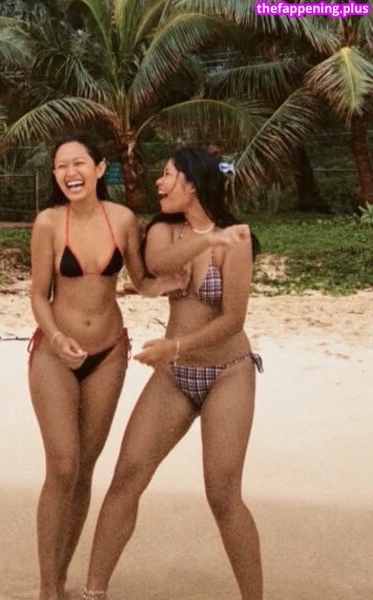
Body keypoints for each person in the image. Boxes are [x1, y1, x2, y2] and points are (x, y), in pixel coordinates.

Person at [27, 135, 237, 600]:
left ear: (100, 169)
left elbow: (140, 280)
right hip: (54, 353)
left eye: (78, 163)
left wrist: (164, 285)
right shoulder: (48, 223)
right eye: (61, 166)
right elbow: (39, 294)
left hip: (108, 353)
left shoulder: (122, 219)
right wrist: (57, 338)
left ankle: (62, 576)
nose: (70, 173)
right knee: (62, 465)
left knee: (85, 468)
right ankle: (48, 589)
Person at [83, 147, 263, 600]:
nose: (158, 183)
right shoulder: (163, 231)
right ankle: (93, 592)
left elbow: (233, 320)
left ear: (192, 184)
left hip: (228, 373)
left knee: (222, 493)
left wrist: (175, 346)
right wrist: (208, 240)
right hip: (175, 375)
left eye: (167, 175)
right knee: (127, 477)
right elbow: (158, 265)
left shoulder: (238, 241)